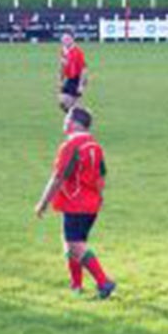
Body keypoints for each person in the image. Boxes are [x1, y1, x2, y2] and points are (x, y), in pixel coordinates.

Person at [34, 107, 116, 298]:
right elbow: (102, 176)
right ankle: (76, 286)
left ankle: (104, 282)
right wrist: (97, 196)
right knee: (72, 242)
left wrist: (43, 203)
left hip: (75, 204)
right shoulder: (95, 145)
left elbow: (58, 177)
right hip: (91, 205)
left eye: (66, 119)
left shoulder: (71, 146)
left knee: (75, 245)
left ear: (73, 122)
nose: (63, 123)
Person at [56, 32, 87, 112]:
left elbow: (83, 70)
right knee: (63, 102)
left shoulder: (77, 52)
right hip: (69, 79)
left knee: (71, 104)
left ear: (72, 40)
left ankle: (81, 117)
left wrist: (80, 85)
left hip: (77, 79)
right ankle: (81, 116)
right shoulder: (63, 51)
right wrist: (60, 80)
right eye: (63, 39)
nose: (65, 41)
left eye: (67, 39)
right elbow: (62, 66)